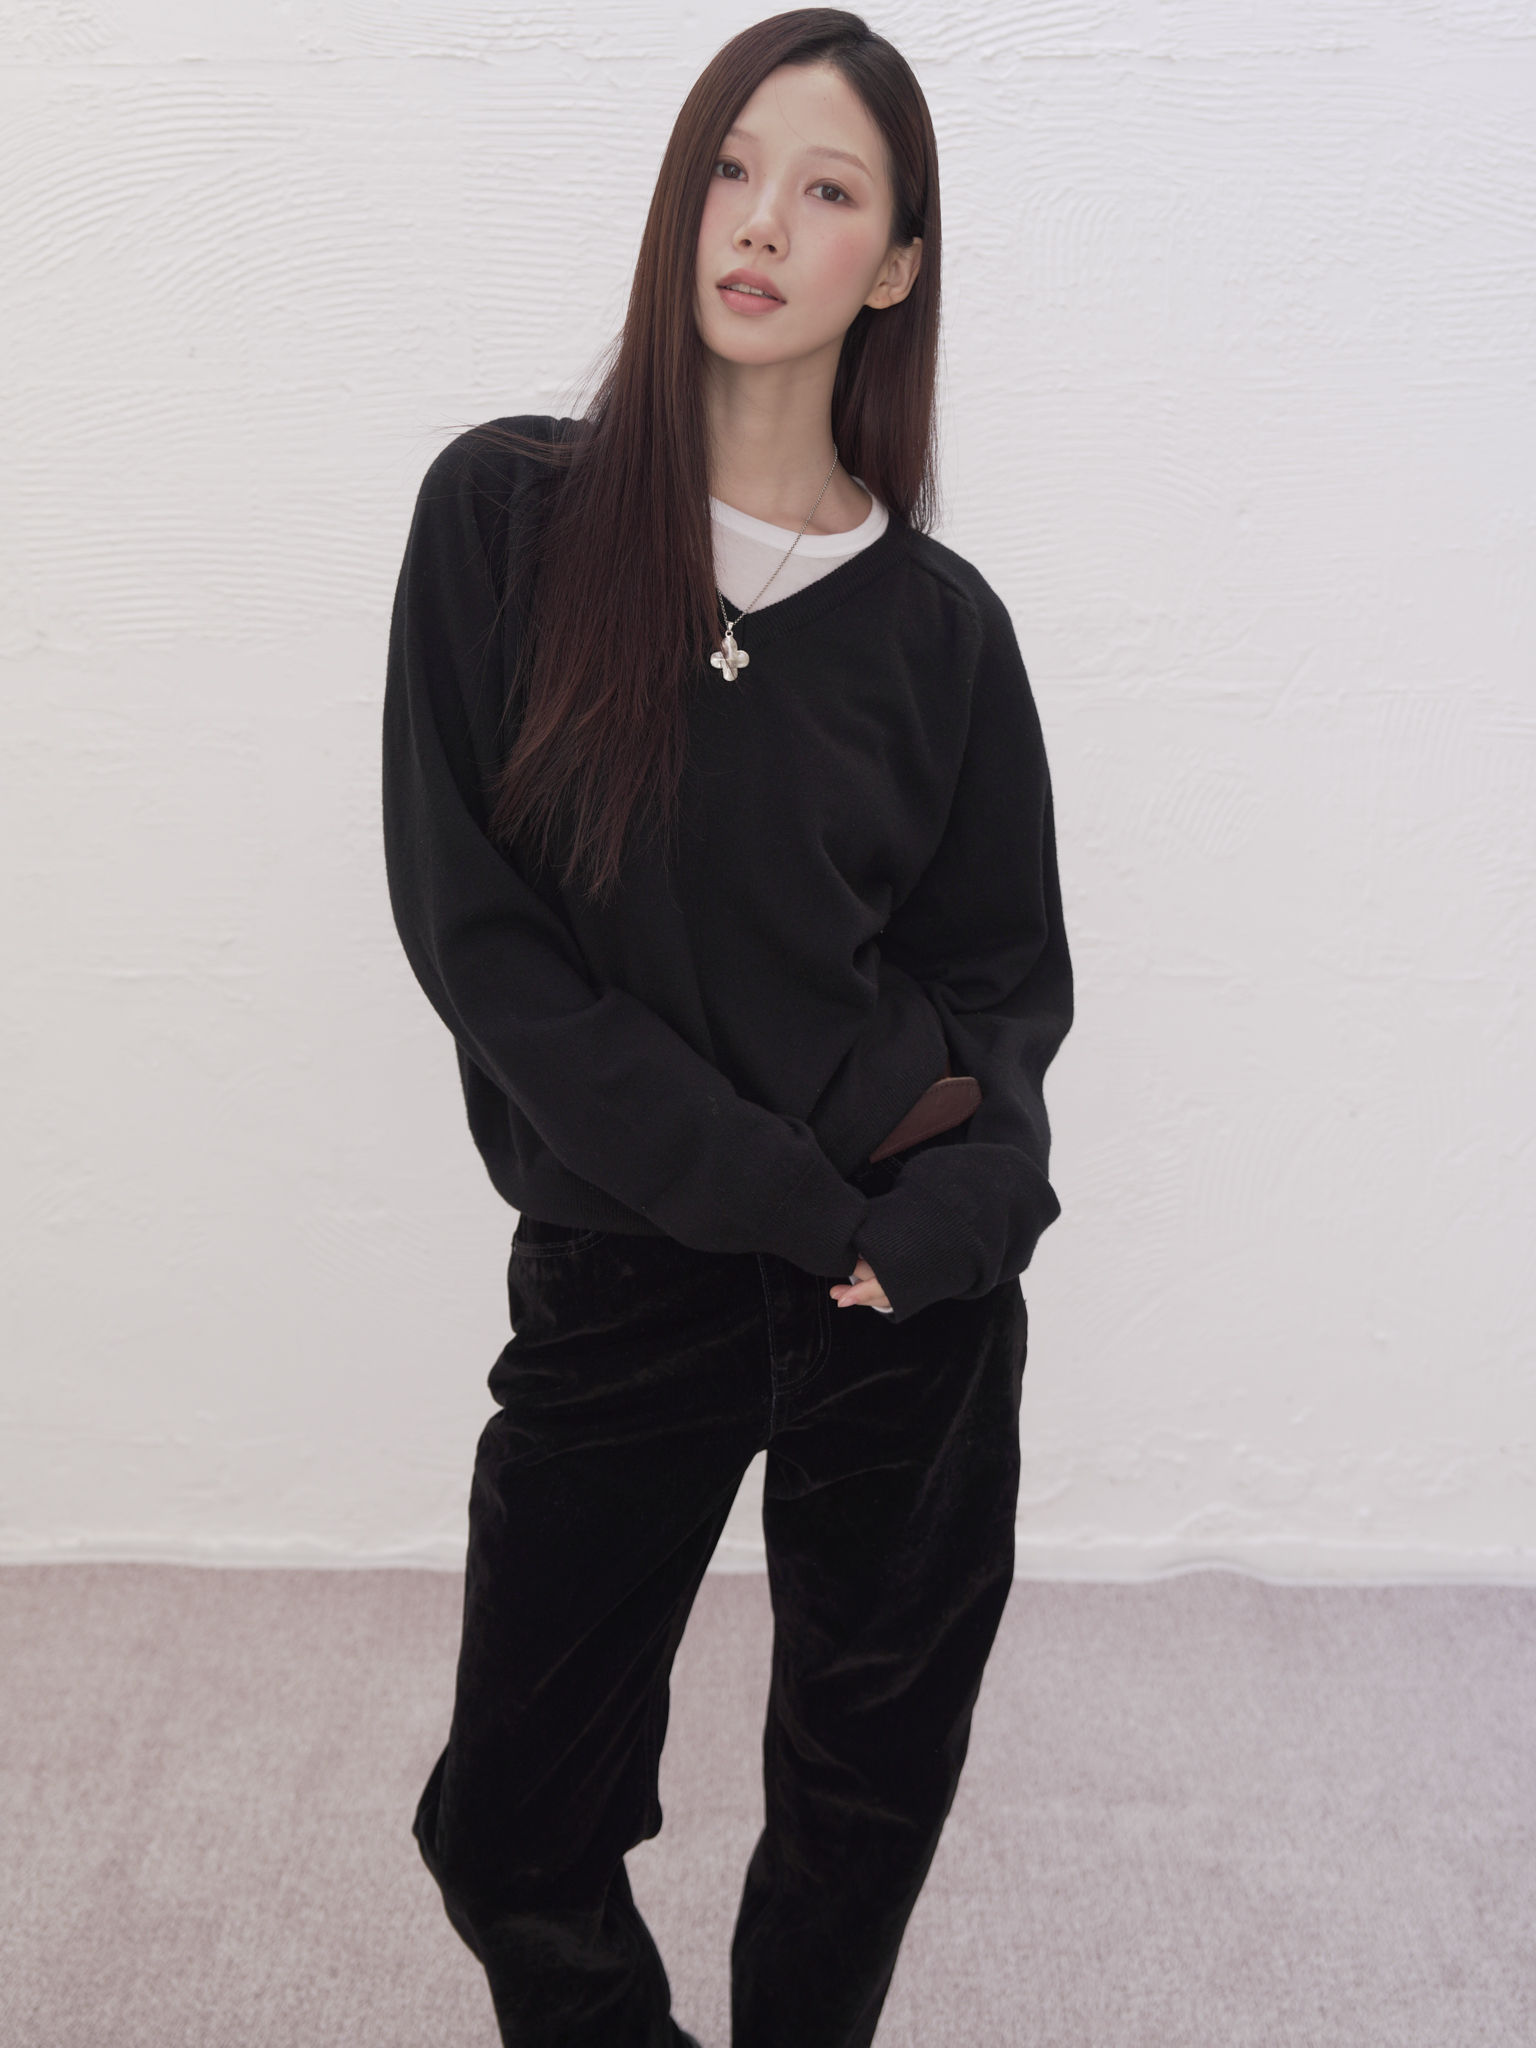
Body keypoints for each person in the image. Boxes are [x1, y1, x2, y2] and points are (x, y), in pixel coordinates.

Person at [382, 10, 1072, 2044]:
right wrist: (780, 1199)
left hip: (898, 1280)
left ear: (898, 263)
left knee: (863, 1805)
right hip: (635, 1261)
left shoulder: (943, 630)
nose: (762, 222)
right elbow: (485, 946)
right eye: (733, 168)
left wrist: (965, 1213)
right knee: (511, 1827)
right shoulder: (509, 515)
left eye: (829, 189)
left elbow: (1003, 987)